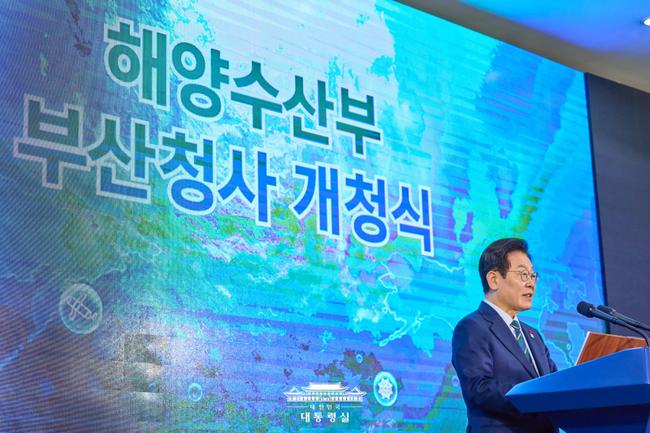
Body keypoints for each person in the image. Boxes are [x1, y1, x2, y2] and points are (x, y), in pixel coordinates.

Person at [452, 238, 558, 433]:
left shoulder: (533, 335)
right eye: (523, 274)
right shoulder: (472, 327)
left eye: (533, 275)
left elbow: (552, 384)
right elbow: (479, 388)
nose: (531, 283)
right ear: (493, 279)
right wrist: (533, 397)